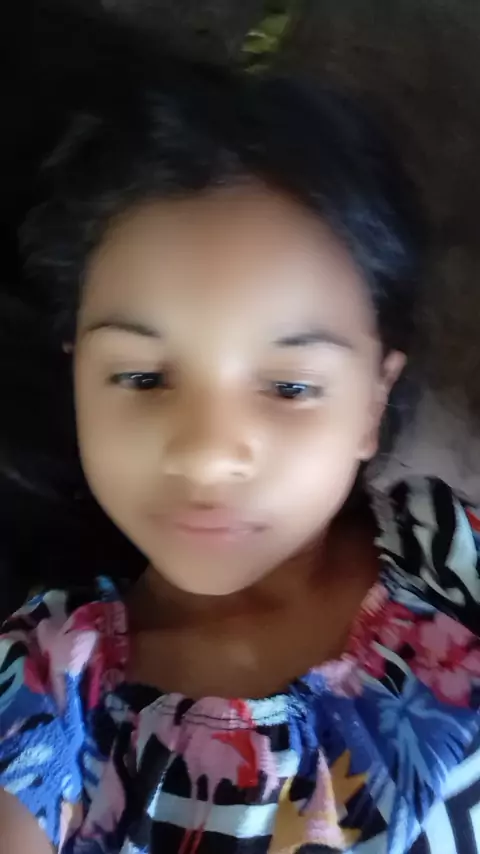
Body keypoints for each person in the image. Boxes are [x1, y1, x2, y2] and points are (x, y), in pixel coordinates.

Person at [0, 54, 479, 854]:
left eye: (290, 387)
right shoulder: (48, 694)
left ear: (373, 402)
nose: (206, 458)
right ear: (76, 375)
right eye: (142, 377)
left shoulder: (452, 554)